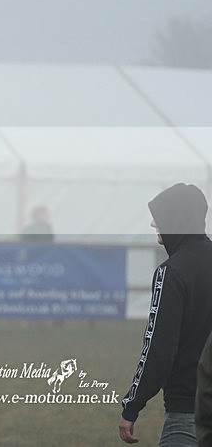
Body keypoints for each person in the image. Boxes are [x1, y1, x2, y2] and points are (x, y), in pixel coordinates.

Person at [119, 183, 212, 445]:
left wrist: (131, 406)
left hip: (188, 414)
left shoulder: (171, 272)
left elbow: (159, 349)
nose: (152, 223)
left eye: (159, 215)